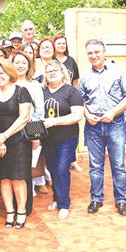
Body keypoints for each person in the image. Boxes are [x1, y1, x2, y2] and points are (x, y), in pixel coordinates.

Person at [79, 39, 126, 216]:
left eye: (97, 52)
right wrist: (87, 115)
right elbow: (80, 100)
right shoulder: (84, 76)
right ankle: (96, 199)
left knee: (118, 164)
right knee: (95, 165)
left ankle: (121, 200)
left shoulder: (119, 71)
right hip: (93, 127)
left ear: (104, 52)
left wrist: (112, 112)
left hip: (115, 124)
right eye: (90, 53)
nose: (94, 55)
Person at [0, 60, 32, 228]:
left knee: (18, 178)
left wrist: (4, 137)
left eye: (2, 72)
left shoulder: (22, 91)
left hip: (19, 142)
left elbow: (24, 118)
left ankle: (21, 211)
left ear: (10, 73)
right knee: (4, 178)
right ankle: (9, 211)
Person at [42, 61, 83, 219]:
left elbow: (77, 115)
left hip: (67, 138)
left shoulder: (71, 92)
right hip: (48, 139)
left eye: (55, 70)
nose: (51, 73)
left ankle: (64, 204)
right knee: (52, 169)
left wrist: (54, 121)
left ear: (62, 72)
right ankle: (56, 198)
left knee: (61, 169)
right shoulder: (42, 91)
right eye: (48, 71)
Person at [11, 52, 48, 197]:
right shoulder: (7, 82)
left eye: (23, 63)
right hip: (10, 130)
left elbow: (39, 111)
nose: (20, 66)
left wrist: (35, 135)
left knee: (28, 164)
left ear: (29, 66)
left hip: (28, 130)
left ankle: (28, 192)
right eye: (17, 62)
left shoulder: (34, 85)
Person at [53, 35, 83, 173]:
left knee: (71, 130)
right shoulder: (52, 61)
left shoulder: (71, 61)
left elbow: (75, 81)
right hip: (55, 100)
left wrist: (75, 96)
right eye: (58, 43)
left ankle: (73, 160)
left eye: (63, 43)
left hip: (69, 99)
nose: (61, 46)